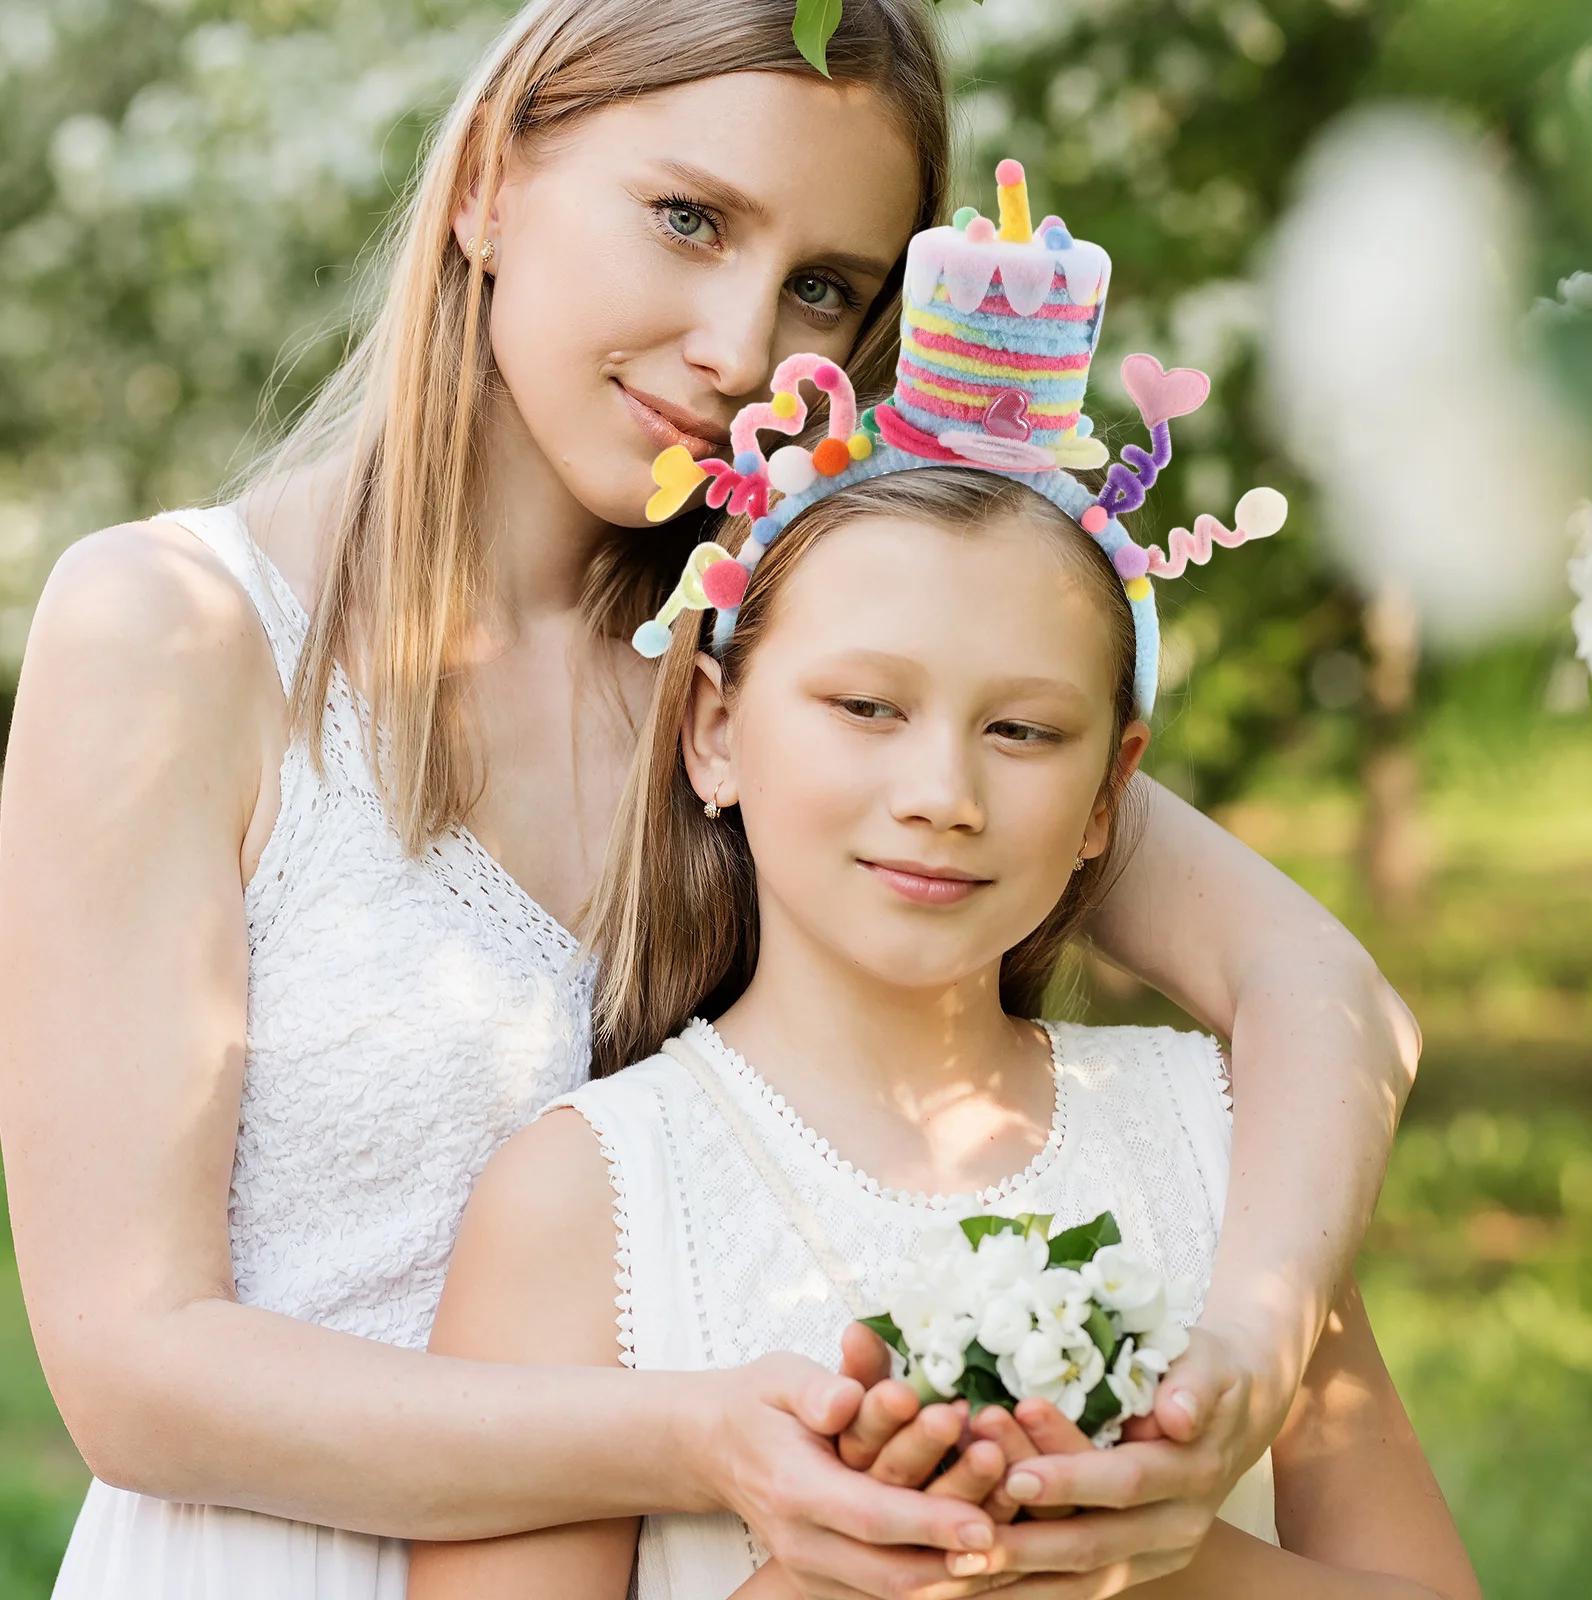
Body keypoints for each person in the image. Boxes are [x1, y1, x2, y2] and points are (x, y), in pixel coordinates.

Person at [0, 3, 1414, 1596]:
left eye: (823, 286)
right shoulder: (174, 633)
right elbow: (130, 1367)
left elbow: (1322, 991)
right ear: (485, 184)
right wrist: (697, 1440)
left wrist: (1247, 1358)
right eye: (689, 218)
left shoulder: (812, 687)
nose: (745, 348)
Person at [406, 271, 1477, 1596]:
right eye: (865, 706)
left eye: (1023, 731)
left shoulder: (1224, 1138)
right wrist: (867, 1561)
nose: (941, 795)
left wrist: (1155, 1553)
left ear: (1107, 794)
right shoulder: (590, 1200)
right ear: (718, 732)